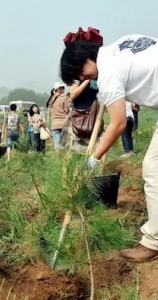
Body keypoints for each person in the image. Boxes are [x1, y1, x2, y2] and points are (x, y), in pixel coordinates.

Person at [60, 34, 158, 262]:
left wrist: (92, 160)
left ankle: (154, 241)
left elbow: (118, 124)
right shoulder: (122, 45)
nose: (83, 77)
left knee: (153, 168)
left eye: (80, 71)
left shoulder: (109, 74)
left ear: (87, 57)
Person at [46, 82, 70, 151]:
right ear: (58, 89)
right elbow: (66, 110)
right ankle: (63, 159)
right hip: (64, 123)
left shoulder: (51, 99)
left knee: (57, 144)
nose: (63, 89)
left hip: (54, 124)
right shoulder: (65, 98)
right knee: (65, 144)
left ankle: (58, 156)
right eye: (62, 88)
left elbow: (50, 113)